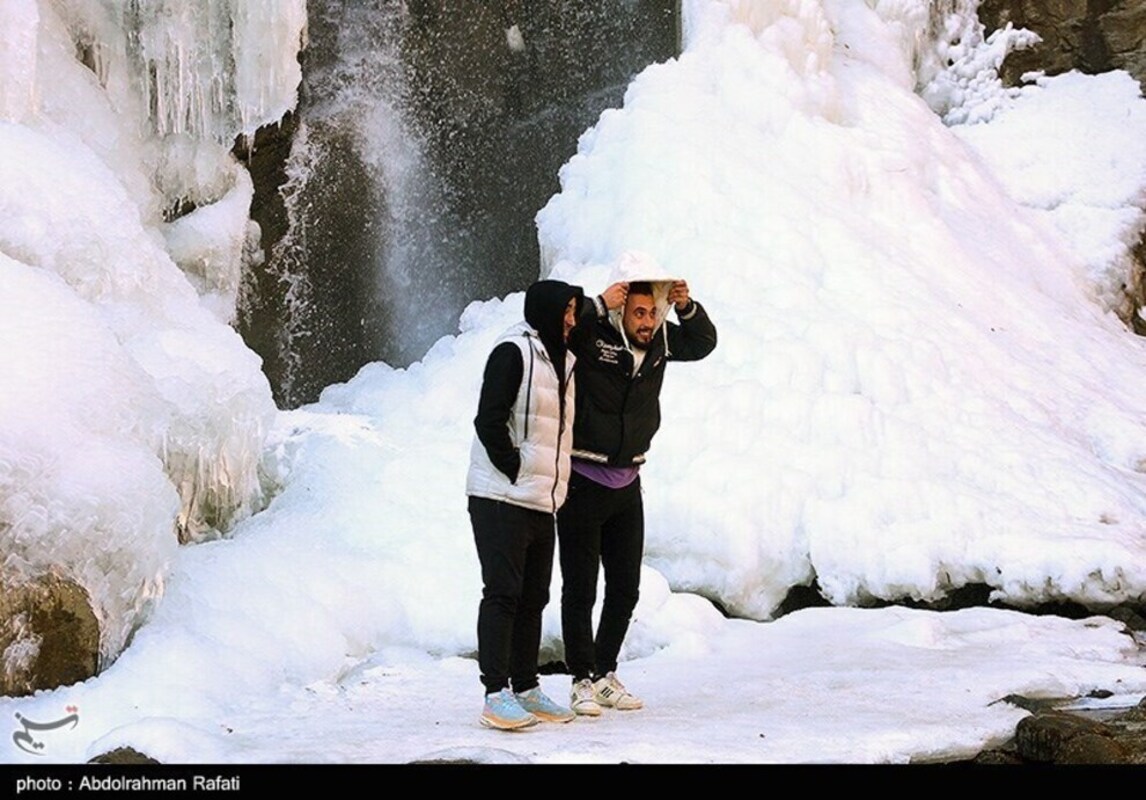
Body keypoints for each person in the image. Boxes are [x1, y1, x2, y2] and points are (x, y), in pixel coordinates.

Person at [559, 251, 717, 715]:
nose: (647, 322)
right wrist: (595, 304)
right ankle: (581, 679)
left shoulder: (663, 340)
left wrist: (686, 307)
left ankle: (605, 673)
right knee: (580, 587)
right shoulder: (593, 336)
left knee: (625, 587)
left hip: (628, 482)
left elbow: (704, 342)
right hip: (583, 480)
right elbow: (561, 329)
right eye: (639, 313)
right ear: (622, 310)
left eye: (653, 313)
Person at [467, 278, 584, 730]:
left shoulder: (563, 358)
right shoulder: (514, 351)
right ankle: (495, 693)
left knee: (535, 595)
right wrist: (513, 467)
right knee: (503, 593)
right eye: (566, 310)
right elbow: (488, 418)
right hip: (500, 496)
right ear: (546, 311)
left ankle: (526, 686)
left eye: (576, 310)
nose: (573, 319)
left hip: (541, 498)